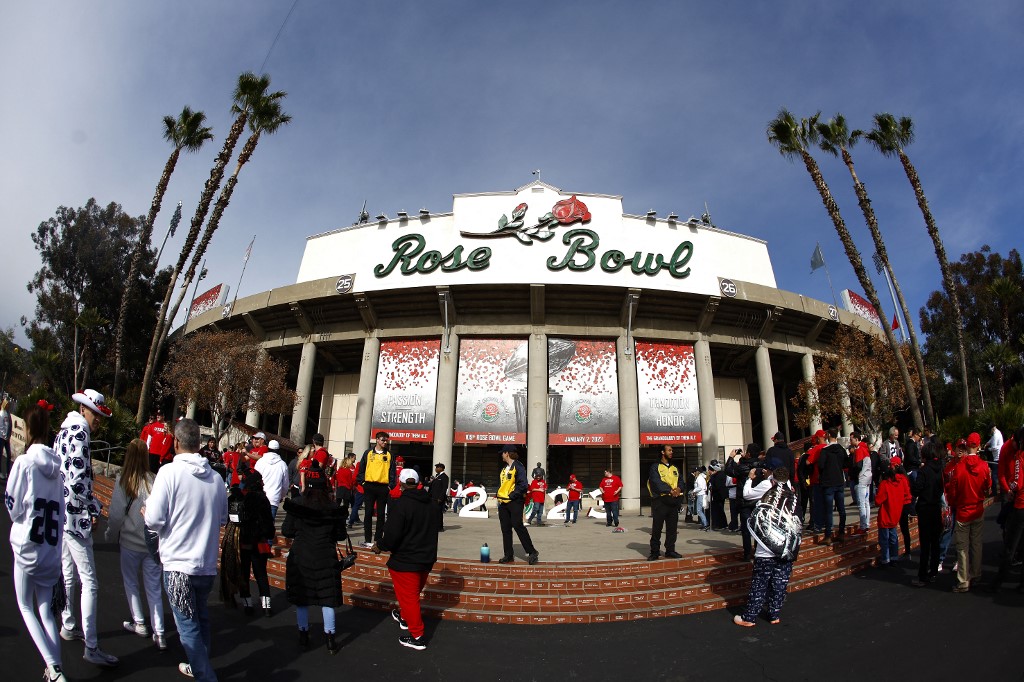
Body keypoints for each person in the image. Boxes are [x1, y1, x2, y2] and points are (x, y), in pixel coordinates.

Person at [144, 418, 228, 681]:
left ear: (176, 442)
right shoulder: (215, 479)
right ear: (200, 444)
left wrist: (146, 514)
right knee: (200, 618)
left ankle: (205, 675)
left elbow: (155, 520)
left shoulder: (169, 472)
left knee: (187, 626)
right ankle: (198, 666)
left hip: (179, 563)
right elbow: (223, 518)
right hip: (205, 564)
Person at [6, 401, 69, 681]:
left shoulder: (25, 462)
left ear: (28, 428)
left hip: (28, 547)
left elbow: (13, 505)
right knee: (46, 612)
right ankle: (56, 669)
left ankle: (53, 669)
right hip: (50, 551)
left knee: (25, 606)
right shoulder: (58, 469)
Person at [56, 388, 119, 667]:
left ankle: (69, 624)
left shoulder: (64, 431)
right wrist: (95, 507)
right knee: (89, 581)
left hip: (62, 513)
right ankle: (91, 646)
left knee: (69, 573)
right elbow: (78, 482)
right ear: (85, 410)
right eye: (96, 414)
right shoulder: (81, 434)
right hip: (76, 515)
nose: (98, 420)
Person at [105, 438, 167, 650]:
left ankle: (139, 621)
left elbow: (115, 514)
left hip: (130, 542)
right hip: (151, 543)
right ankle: (159, 632)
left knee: (130, 582)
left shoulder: (124, 480)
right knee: (153, 588)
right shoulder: (154, 479)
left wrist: (110, 535)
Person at [282, 464, 346, 655]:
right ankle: (330, 640)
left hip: (301, 555)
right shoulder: (333, 507)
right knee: (327, 599)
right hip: (325, 556)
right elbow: (340, 535)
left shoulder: (297, 505)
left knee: (302, 599)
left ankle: (303, 635)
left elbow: (287, 530)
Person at [374, 468, 438, 650]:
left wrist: (380, 545)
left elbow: (392, 535)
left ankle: (417, 636)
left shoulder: (400, 504)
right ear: (418, 483)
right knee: (412, 594)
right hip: (426, 557)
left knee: (409, 598)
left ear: (401, 484)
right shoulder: (432, 504)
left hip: (406, 560)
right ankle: (404, 617)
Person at [734, 467, 800, 626]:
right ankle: (774, 614)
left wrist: (750, 478)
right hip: (786, 548)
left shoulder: (767, 486)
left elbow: (747, 494)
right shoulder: (792, 494)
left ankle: (749, 618)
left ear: (773, 477)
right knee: (780, 583)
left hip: (766, 547)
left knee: (760, 583)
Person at [221, 469, 276, 617]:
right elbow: (268, 523)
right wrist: (268, 534)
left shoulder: (234, 498)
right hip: (258, 541)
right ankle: (267, 606)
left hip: (240, 540)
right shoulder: (262, 499)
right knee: (261, 573)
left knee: (243, 573)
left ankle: (248, 604)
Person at [945, 432, 992, 592]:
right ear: (978, 446)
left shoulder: (959, 467)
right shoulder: (984, 465)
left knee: (962, 547)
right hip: (977, 508)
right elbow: (987, 487)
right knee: (976, 544)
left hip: (963, 510)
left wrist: (953, 502)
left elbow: (953, 490)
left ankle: (963, 580)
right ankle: (976, 574)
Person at [990, 426, 1024, 592]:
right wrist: (1008, 489)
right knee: (1010, 539)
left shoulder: (1019, 456)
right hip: (1014, 499)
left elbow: (1018, 480)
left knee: (1011, 545)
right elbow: (1004, 473)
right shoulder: (1008, 450)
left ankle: (998, 582)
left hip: (1020, 504)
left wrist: (1013, 488)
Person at [495, 444, 539, 564]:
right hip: (503, 502)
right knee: (505, 529)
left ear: (507, 453)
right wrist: (499, 496)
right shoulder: (504, 469)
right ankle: (508, 555)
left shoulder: (518, 466)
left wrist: (511, 496)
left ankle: (532, 552)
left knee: (517, 525)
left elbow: (523, 485)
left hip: (514, 501)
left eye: (503, 453)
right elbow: (503, 485)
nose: (502, 455)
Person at [910, 441, 944, 586]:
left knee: (925, 544)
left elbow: (916, 490)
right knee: (935, 542)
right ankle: (934, 572)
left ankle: (922, 575)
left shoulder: (924, 471)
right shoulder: (940, 469)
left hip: (925, 508)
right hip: (936, 506)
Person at [356, 432, 397, 549]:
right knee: (368, 513)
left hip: (383, 487)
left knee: (380, 515)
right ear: (377, 440)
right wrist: (362, 482)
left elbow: (392, 472)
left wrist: (390, 486)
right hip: (369, 486)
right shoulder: (368, 453)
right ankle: (367, 539)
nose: (385, 442)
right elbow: (361, 469)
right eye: (383, 440)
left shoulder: (389, 455)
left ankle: (378, 540)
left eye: (387, 440)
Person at [648, 444, 683, 560]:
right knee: (657, 528)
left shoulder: (675, 468)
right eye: (669, 450)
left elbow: (681, 481)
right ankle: (654, 552)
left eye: (672, 450)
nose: (671, 452)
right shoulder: (655, 467)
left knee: (672, 528)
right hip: (660, 501)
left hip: (673, 502)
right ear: (663, 452)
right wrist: (669, 490)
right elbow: (655, 482)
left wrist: (679, 489)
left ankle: (670, 550)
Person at [817, 428, 847, 545]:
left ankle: (828, 535)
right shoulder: (841, 450)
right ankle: (841, 532)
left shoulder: (825, 450)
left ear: (829, 436)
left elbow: (821, 465)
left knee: (829, 510)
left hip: (828, 482)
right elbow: (846, 463)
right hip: (839, 480)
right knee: (841, 509)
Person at [875, 461, 903, 566]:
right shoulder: (899, 482)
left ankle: (885, 558)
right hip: (895, 513)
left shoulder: (885, 484)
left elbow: (878, 501)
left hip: (885, 514)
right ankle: (894, 556)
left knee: (884, 539)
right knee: (893, 537)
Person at [255, 439, 290, 519]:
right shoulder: (282, 465)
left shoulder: (260, 462)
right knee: (269, 525)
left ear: (268, 449)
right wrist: (281, 496)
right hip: (274, 498)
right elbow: (285, 485)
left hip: (260, 496)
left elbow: (254, 479)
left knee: (258, 524)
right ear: (278, 450)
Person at [848, 432, 872, 534]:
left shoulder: (859, 450)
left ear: (857, 439)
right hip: (867, 477)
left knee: (862, 503)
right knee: (866, 503)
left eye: (852, 439)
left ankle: (863, 526)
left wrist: (854, 474)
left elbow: (857, 466)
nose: (850, 441)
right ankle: (866, 523)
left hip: (861, 479)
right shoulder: (865, 448)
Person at [427, 462, 449, 531]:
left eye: (437, 467)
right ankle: (434, 525)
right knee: (433, 512)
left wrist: (441, 498)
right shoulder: (437, 476)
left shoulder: (444, 477)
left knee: (438, 513)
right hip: (433, 497)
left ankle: (439, 527)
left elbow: (444, 488)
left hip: (438, 498)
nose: (436, 469)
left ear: (441, 468)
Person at [984, 424, 1004, 495]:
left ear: (992, 429)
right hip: (998, 456)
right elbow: (991, 439)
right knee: (999, 475)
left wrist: (988, 449)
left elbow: (994, 447)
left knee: (994, 476)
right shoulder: (997, 432)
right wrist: (987, 444)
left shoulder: (995, 435)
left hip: (997, 457)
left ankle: (994, 492)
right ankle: (1000, 491)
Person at [693, 466, 710, 531]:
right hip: (701, 494)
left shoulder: (699, 478)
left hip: (700, 495)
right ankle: (704, 524)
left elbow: (700, 487)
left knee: (699, 510)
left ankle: (705, 524)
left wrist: (694, 491)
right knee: (702, 510)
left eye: (695, 471)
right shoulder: (701, 477)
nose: (694, 473)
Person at [0, 397, 12, 479]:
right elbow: (1, 426)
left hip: (6, 438)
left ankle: (8, 472)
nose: (8, 406)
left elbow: (9, 426)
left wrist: (8, 436)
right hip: (1, 438)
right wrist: (5, 436)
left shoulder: (8, 413)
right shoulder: (1, 414)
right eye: (7, 404)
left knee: (9, 455)